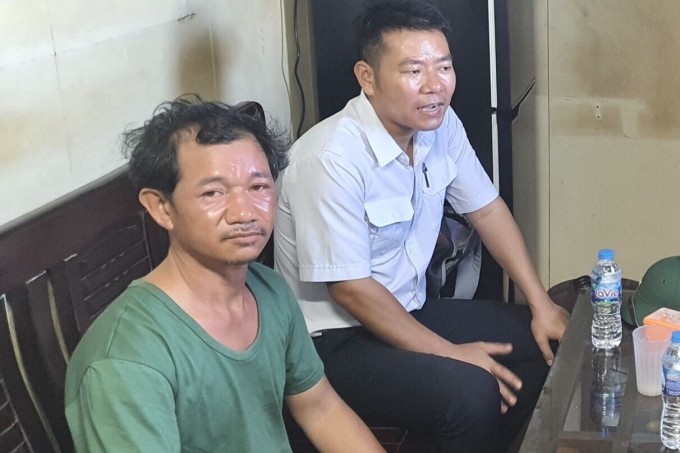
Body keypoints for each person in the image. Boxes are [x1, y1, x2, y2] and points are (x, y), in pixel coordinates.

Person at [274, 1, 570, 451]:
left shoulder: (440, 125)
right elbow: (350, 289)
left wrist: (541, 302)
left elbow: (486, 210)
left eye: (444, 67)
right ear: (367, 77)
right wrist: (452, 354)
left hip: (407, 310)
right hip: (331, 342)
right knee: (470, 390)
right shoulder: (330, 158)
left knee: (541, 342)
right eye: (414, 71)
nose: (435, 86)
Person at [64, 96, 384, 452]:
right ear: (161, 207)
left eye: (259, 187)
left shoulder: (270, 291)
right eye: (213, 192)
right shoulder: (125, 361)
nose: (244, 212)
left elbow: (321, 409)